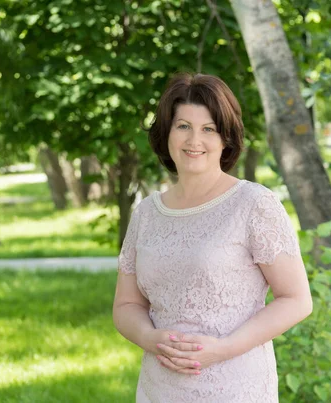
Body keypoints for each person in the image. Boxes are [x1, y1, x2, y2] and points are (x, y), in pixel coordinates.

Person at [112, 73, 313, 402]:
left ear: (226, 138)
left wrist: (223, 350)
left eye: (209, 129)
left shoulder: (254, 205)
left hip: (235, 386)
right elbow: (126, 304)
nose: (194, 140)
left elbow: (296, 300)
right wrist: (151, 338)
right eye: (183, 126)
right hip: (160, 389)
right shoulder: (146, 214)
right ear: (166, 133)